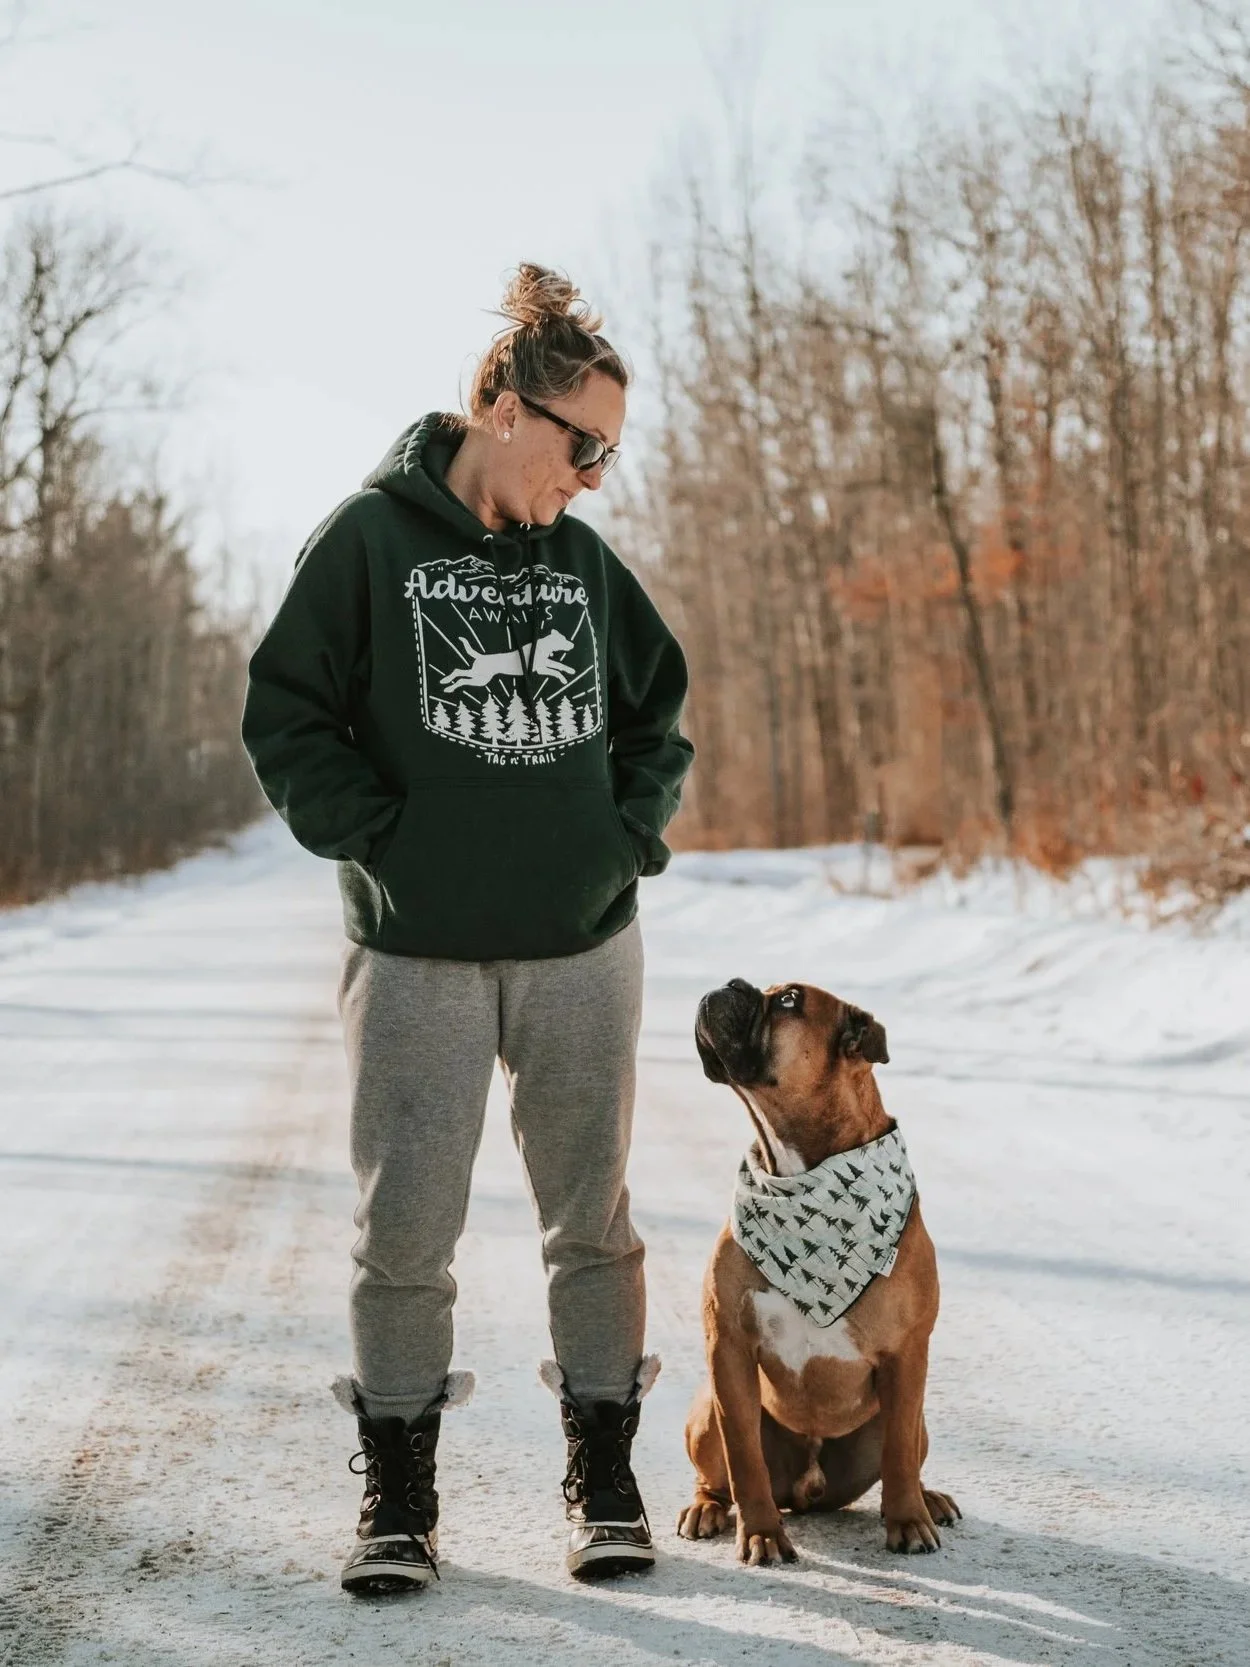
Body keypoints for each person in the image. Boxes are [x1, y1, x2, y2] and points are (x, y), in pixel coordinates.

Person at [241, 263, 694, 1595]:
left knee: (592, 1225)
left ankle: (603, 1478)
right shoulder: (367, 542)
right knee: (405, 1234)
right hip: (417, 954)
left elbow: (654, 719)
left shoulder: (586, 567)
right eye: (583, 444)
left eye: (610, 450)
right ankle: (397, 1499)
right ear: (504, 408)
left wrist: (621, 841)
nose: (596, 476)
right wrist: (382, 840)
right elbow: (286, 712)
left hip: (580, 949)